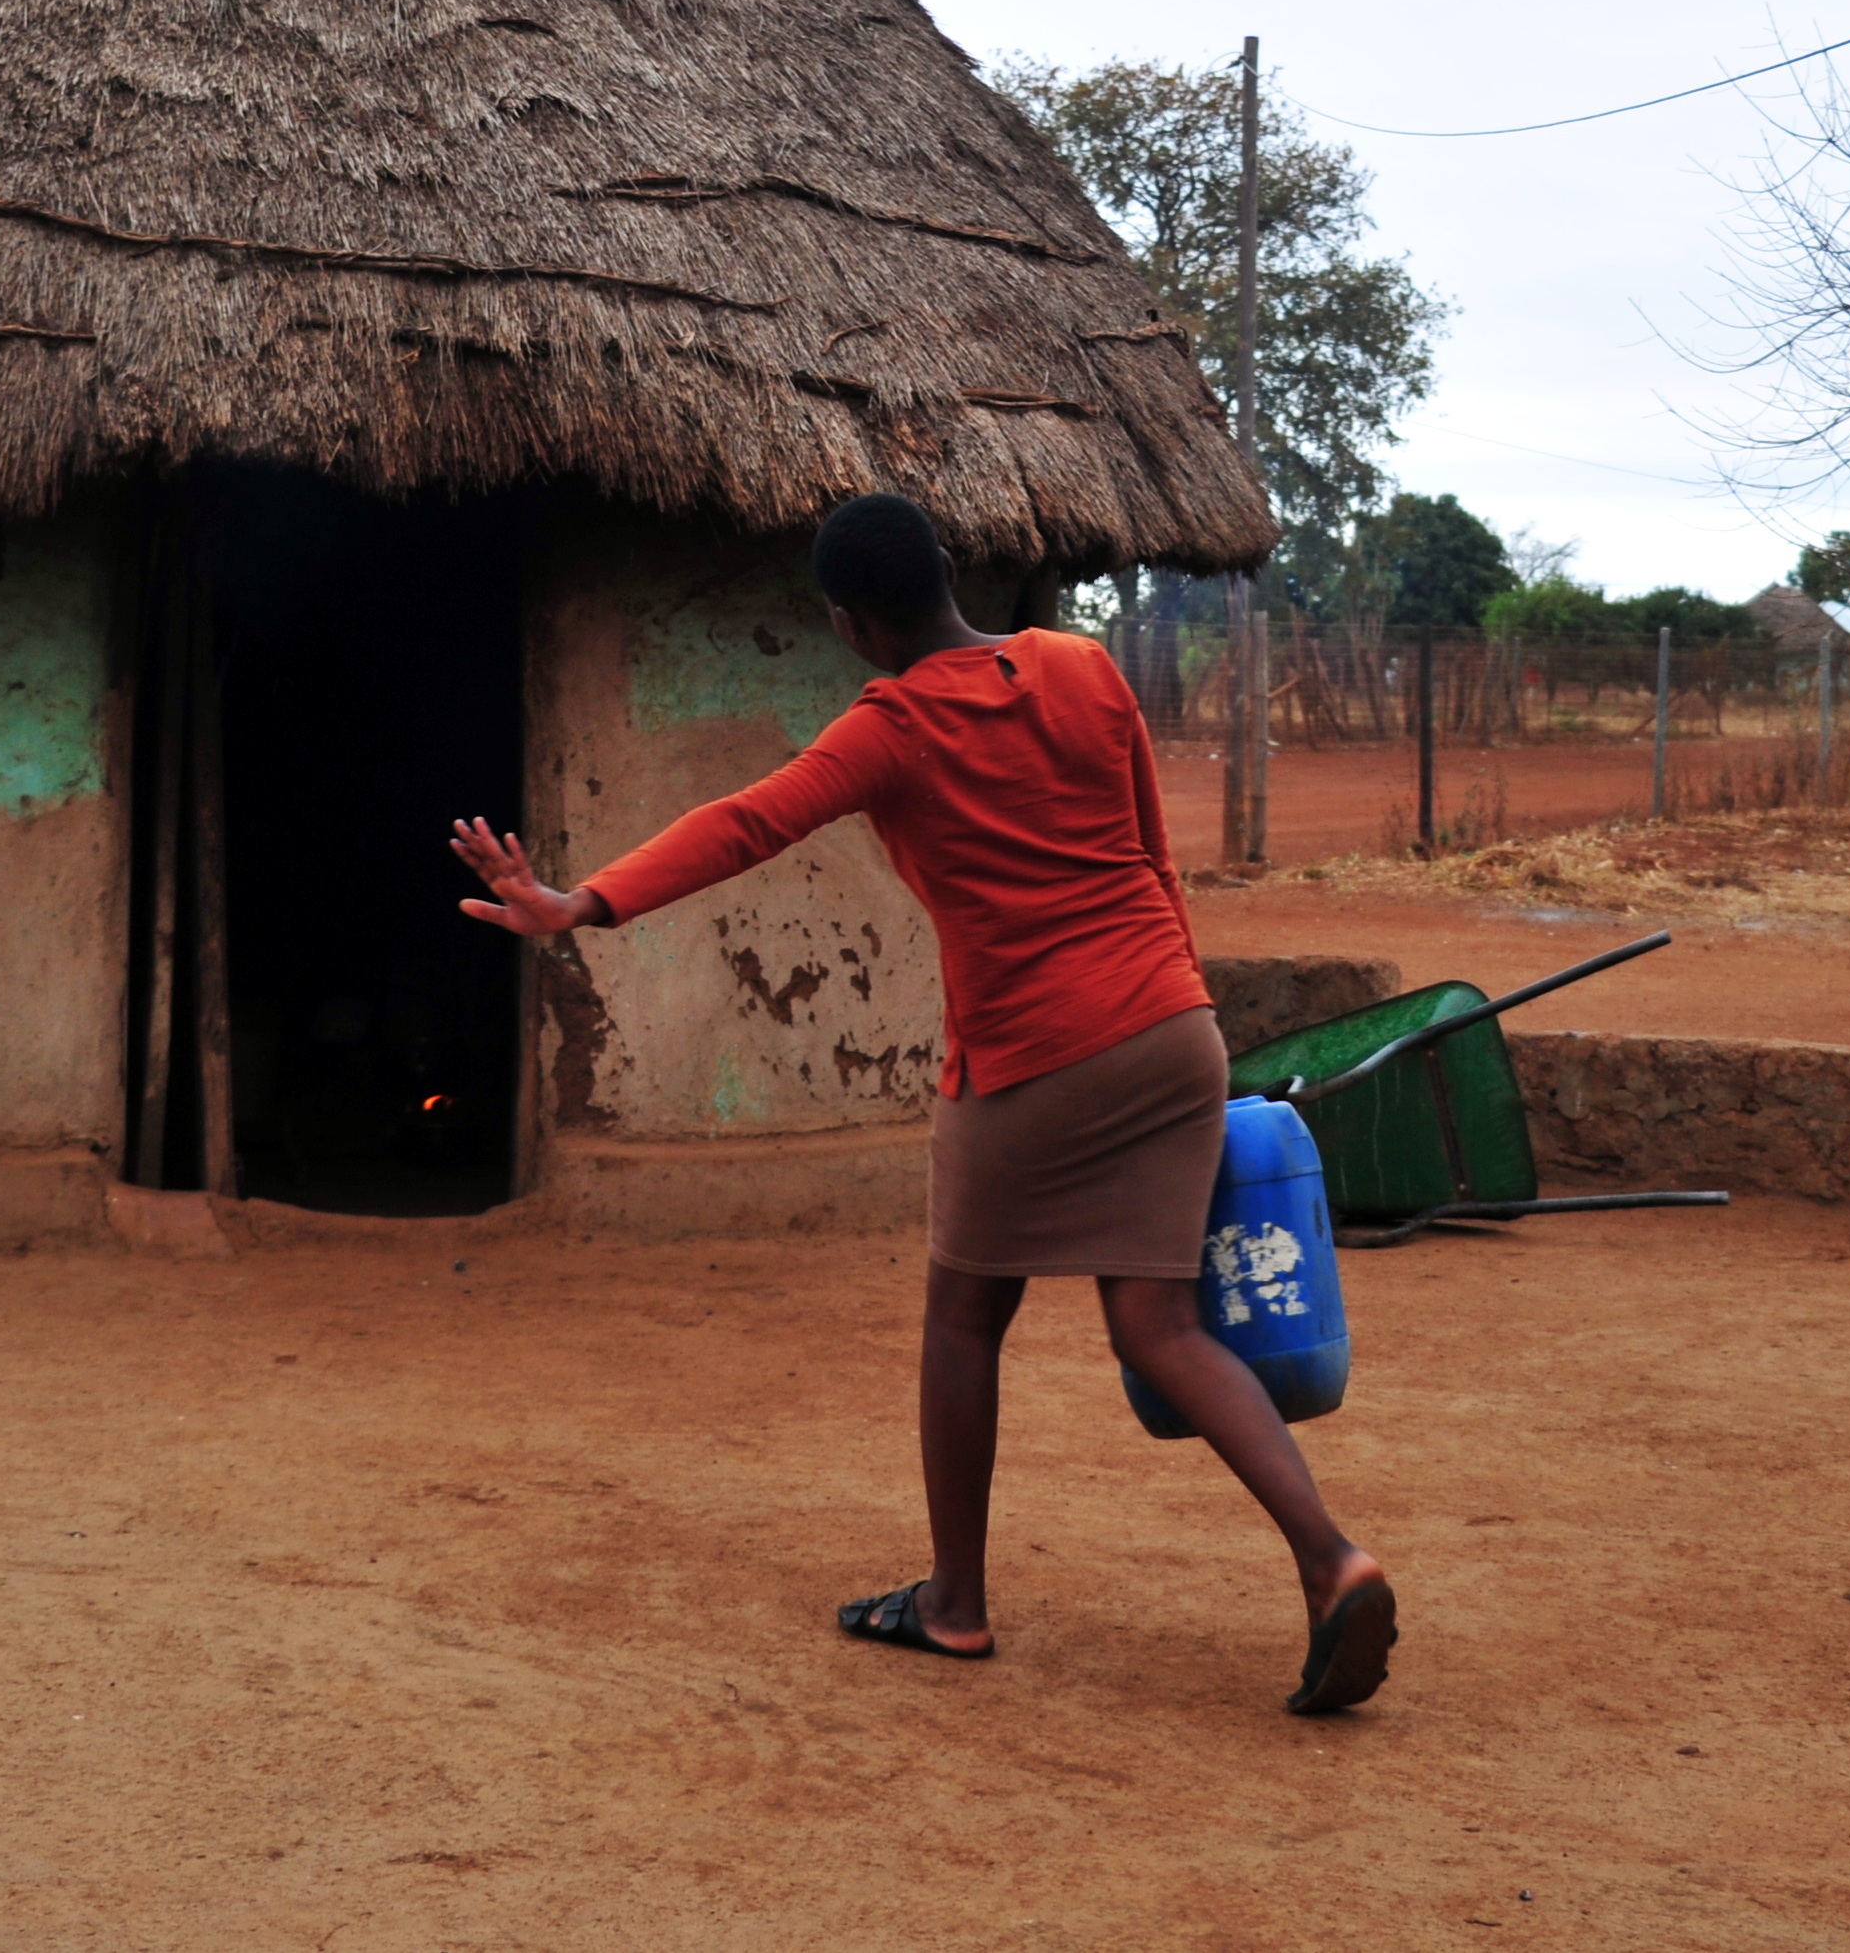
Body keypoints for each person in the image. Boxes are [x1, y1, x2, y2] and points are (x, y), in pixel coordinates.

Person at [446, 493, 1396, 1715]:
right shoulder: (1082, 667)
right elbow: (1153, 855)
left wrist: (583, 903)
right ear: (953, 566)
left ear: (847, 623)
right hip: (1172, 1021)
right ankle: (1332, 1558)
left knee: (961, 1321)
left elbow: (747, 822)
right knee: (1159, 1325)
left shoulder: (886, 726)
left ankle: (953, 1602)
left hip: (1034, 1056)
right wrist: (1177, 1000)